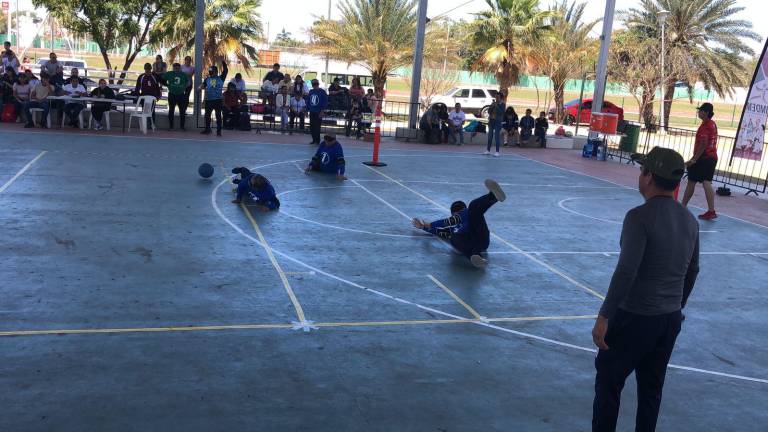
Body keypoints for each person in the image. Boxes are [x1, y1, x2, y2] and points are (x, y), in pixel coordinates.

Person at [592, 146, 699, 432]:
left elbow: (627, 270)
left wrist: (604, 316)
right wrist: (678, 306)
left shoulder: (639, 217)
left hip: (635, 317)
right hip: (669, 319)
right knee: (651, 390)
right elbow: (692, 271)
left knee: (608, 381)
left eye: (642, 170)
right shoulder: (689, 220)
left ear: (649, 176)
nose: (640, 175)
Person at [412, 179, 507, 268]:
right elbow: (439, 232)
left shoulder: (465, 213)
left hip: (476, 235)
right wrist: (423, 227)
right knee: (454, 237)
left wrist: (430, 224)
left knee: (473, 208)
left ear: (454, 213)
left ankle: (494, 196)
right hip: (481, 242)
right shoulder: (455, 229)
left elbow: (448, 222)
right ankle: (477, 259)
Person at [681, 103, 719, 220]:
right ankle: (684, 206)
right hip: (711, 157)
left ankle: (684, 206)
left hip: (704, 158)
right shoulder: (712, 124)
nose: (699, 112)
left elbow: (703, 144)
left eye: (701, 110)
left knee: (701, 182)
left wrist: (694, 159)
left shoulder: (705, 126)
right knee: (696, 181)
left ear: (706, 112)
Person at [200, 60, 228, 136]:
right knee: (207, 116)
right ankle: (207, 129)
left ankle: (219, 131)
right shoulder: (207, 79)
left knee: (218, 116)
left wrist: (223, 62)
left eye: (212, 72)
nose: (210, 73)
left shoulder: (221, 78)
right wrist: (199, 88)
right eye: (210, 72)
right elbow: (203, 85)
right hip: (209, 100)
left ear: (216, 72)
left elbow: (225, 71)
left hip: (217, 100)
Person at [160, 63, 190, 130]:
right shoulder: (169, 73)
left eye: (178, 68)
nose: (177, 69)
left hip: (181, 94)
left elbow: (188, 83)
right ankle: (171, 126)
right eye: (175, 68)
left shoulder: (183, 74)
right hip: (172, 94)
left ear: (180, 68)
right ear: (173, 68)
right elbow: (161, 79)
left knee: (182, 111)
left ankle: (182, 127)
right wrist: (167, 85)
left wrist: (183, 88)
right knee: (171, 110)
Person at [307, 79, 328, 145]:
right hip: (312, 111)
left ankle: (317, 140)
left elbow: (324, 102)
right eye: (313, 83)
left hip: (318, 111)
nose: (314, 85)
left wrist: (322, 111)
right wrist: (307, 109)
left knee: (317, 127)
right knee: (312, 126)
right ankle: (314, 139)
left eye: (315, 83)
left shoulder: (322, 91)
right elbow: (308, 101)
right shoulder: (311, 91)